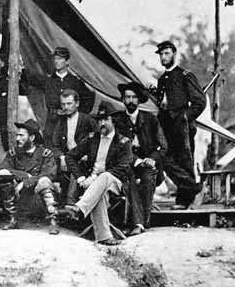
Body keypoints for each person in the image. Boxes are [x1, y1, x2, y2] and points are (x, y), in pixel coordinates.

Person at [61, 107, 133, 246]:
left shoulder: (124, 142)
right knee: (100, 195)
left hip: (116, 182)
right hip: (94, 186)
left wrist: (95, 179)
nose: (102, 124)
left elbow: (124, 167)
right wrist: (81, 178)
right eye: (99, 120)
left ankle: (79, 208)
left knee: (105, 176)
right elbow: (70, 156)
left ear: (113, 122)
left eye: (106, 120)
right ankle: (104, 237)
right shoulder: (92, 139)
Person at [154, 40, 206, 209]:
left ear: (174, 54)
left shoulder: (185, 75)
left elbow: (199, 102)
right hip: (166, 125)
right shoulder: (162, 79)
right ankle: (194, 188)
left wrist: (185, 117)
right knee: (166, 160)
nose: (163, 57)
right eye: (161, 54)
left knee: (184, 161)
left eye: (167, 53)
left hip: (182, 125)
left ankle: (184, 202)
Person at [114, 82, 167, 236]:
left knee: (148, 179)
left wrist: (153, 158)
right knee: (129, 180)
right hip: (126, 163)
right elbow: (116, 146)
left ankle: (142, 222)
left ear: (139, 100)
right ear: (123, 100)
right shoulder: (117, 120)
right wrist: (135, 160)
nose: (130, 100)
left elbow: (163, 146)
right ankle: (136, 223)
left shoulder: (150, 119)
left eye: (134, 97)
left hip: (147, 163)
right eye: (127, 97)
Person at [0, 119, 60, 234]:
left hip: (38, 198)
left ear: (32, 137)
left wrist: (28, 181)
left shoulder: (45, 154)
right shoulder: (13, 153)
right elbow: (2, 169)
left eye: (21, 135)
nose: (17, 139)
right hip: (19, 197)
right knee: (3, 174)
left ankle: (53, 221)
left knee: (44, 180)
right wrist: (25, 176)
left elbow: (49, 174)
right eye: (17, 135)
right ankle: (13, 219)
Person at [24, 47, 95, 146]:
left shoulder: (75, 81)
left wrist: (77, 113)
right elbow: (31, 78)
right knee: (50, 146)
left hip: (71, 122)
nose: (56, 61)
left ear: (67, 61)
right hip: (53, 122)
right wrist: (21, 69)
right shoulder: (48, 80)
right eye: (55, 59)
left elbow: (89, 97)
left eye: (60, 59)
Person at [50, 89, 98, 204]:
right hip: (67, 160)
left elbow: (97, 141)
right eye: (63, 104)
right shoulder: (60, 122)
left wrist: (89, 155)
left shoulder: (88, 120)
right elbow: (55, 145)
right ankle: (53, 203)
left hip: (85, 160)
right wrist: (62, 157)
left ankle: (70, 203)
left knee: (76, 169)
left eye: (69, 104)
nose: (66, 107)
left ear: (77, 103)